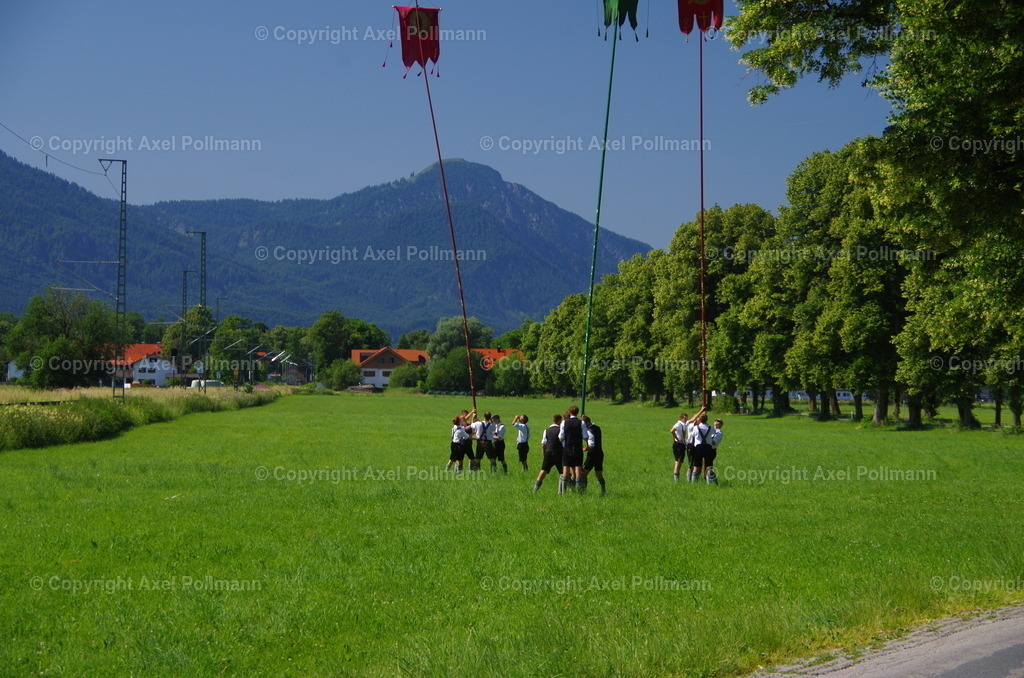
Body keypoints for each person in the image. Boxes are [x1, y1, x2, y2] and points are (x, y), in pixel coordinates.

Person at [532, 414, 563, 492]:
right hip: (558, 453)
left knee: (543, 470)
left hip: (548, 452)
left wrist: (544, 454)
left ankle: (535, 489)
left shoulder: (547, 430)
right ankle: (564, 490)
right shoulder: (560, 430)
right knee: (563, 472)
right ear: (559, 421)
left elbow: (543, 444)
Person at [558, 405, 585, 494]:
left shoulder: (564, 423)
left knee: (566, 468)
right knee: (578, 468)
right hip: (577, 447)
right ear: (577, 412)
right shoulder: (581, 423)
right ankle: (580, 491)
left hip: (567, 447)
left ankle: (562, 492)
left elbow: (560, 437)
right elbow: (585, 436)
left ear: (569, 412)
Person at [580, 415, 605, 495]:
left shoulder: (589, 431)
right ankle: (603, 490)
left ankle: (582, 492)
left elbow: (591, 445)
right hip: (600, 453)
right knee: (598, 474)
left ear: (587, 422)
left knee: (583, 474)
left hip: (592, 455)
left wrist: (585, 449)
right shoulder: (597, 428)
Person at [687, 407, 712, 483]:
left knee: (697, 465)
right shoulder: (692, 426)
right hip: (700, 447)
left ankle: (694, 481)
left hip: (697, 447)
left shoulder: (696, 428)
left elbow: (693, 434)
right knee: (695, 465)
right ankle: (692, 480)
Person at [670, 412, 690, 482]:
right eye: (685, 418)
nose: (686, 420)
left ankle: (677, 477)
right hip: (678, 444)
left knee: (680, 461)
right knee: (678, 461)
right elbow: (672, 431)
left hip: (682, 445)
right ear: (681, 418)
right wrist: (678, 439)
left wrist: (701, 411)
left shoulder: (684, 424)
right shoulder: (678, 424)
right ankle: (676, 479)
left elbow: (693, 419)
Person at [705, 419, 724, 485]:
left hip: (711, 450)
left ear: (721, 425)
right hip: (706, 449)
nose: (716, 422)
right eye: (716, 421)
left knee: (709, 467)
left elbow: (714, 443)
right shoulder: (710, 429)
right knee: (705, 467)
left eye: (719, 422)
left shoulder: (719, 433)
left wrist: (707, 438)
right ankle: (712, 481)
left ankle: (710, 483)